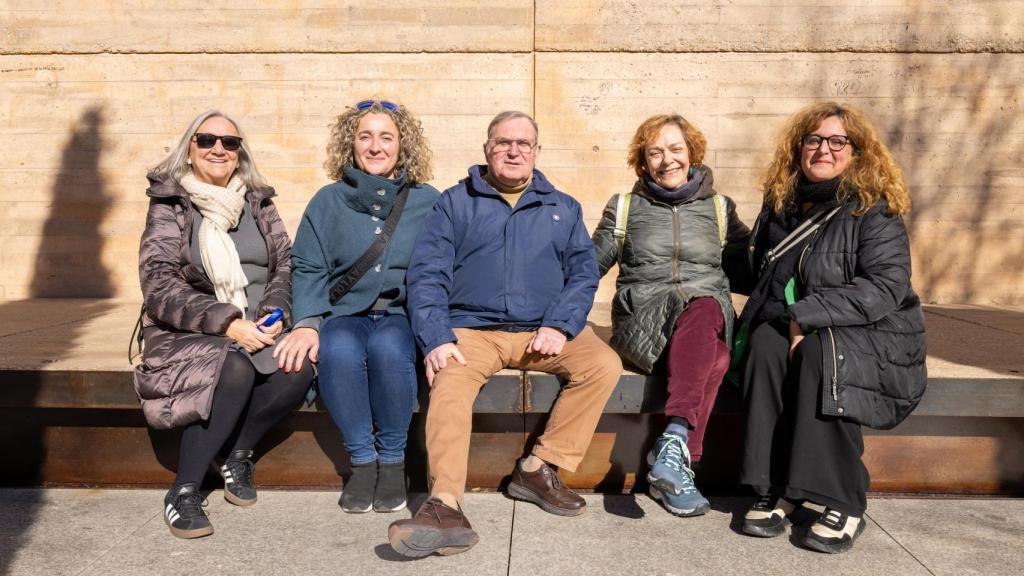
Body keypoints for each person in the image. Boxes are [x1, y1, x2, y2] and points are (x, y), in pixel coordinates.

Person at [387, 111, 622, 557]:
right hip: (474, 330)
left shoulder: (563, 207)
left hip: (545, 331)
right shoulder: (455, 203)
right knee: (450, 382)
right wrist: (437, 336)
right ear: (487, 149)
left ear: (536, 151)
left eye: (524, 144)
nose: (514, 151)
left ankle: (538, 467)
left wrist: (560, 323)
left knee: (601, 364)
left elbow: (583, 276)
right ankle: (446, 504)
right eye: (503, 143)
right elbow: (427, 275)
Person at [735, 102, 926, 553]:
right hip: (797, 319)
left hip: (872, 327)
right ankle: (777, 485)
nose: (824, 149)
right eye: (814, 139)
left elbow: (885, 285)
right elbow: (755, 268)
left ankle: (844, 498)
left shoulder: (872, 209)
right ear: (799, 149)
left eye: (837, 141)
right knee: (763, 347)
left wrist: (806, 315)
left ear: (856, 152)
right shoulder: (781, 205)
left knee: (824, 358)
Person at [134, 111, 313, 539]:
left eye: (229, 143)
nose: (218, 149)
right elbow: (157, 280)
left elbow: (283, 265)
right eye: (207, 140)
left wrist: (274, 313)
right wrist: (229, 323)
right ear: (190, 149)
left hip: (257, 324)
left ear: (239, 154)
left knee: (298, 365)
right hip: (188, 329)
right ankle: (184, 488)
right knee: (231, 366)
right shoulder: (170, 204)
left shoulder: (258, 202)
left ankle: (238, 454)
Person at [275, 99, 440, 514]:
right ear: (350, 145)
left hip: (401, 314)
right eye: (365, 136)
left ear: (403, 146)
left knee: (388, 350)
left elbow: (442, 265)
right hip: (344, 313)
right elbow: (309, 266)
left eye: (386, 137)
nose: (375, 146)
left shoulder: (428, 200)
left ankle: (392, 460)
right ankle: (362, 463)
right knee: (340, 351)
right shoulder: (327, 201)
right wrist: (308, 323)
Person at [591, 114, 749, 517]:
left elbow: (752, 270)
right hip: (644, 323)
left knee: (710, 320)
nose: (667, 160)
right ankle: (680, 452)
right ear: (643, 161)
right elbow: (586, 267)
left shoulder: (719, 209)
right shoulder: (625, 208)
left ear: (693, 154)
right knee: (713, 340)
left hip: (701, 319)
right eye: (655, 152)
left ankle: (673, 458)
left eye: (676, 149)